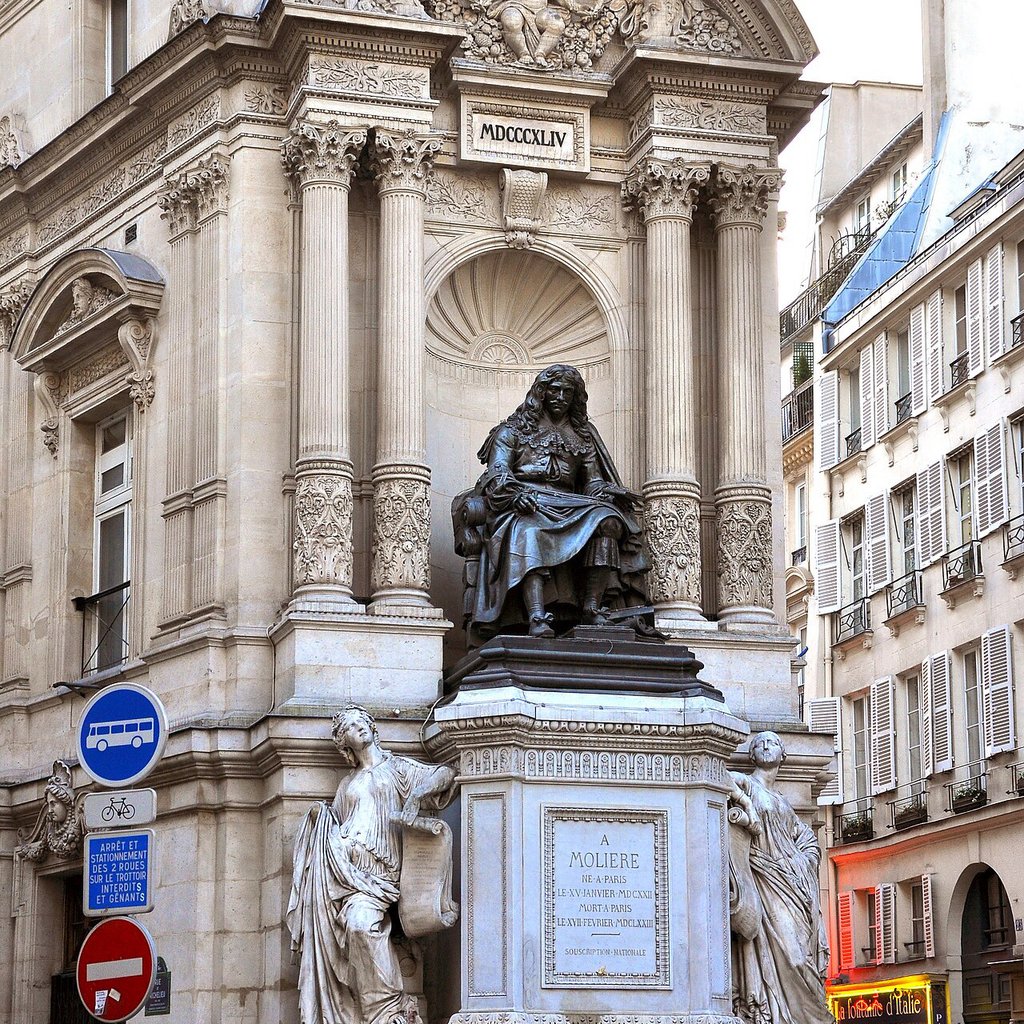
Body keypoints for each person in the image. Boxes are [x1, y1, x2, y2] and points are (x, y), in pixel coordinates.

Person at [453, 364, 649, 644]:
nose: (560, 396)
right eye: (554, 390)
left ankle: (591, 608)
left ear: (575, 397)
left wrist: (610, 490)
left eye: (567, 392)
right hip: (524, 501)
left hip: (570, 503)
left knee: (608, 521)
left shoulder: (583, 435)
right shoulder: (513, 430)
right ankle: (535, 616)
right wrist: (513, 495)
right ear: (541, 393)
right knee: (528, 530)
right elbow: (497, 472)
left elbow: (591, 482)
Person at [287, 707, 456, 1024]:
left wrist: (417, 794)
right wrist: (320, 822)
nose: (359, 727)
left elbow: (445, 774)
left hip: (381, 877)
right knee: (349, 925)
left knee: (361, 924)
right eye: (350, 727)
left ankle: (387, 1009)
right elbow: (338, 821)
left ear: (373, 727)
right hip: (343, 872)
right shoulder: (347, 785)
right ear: (344, 744)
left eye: (362, 722)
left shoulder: (398, 769)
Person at [727, 732, 834, 1024]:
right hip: (765, 879)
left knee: (801, 952)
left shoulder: (783, 802)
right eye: (758, 743)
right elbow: (721, 778)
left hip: (791, 883)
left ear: (783, 755)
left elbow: (807, 839)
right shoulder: (749, 785)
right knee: (794, 956)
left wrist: (803, 860)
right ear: (751, 755)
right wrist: (745, 805)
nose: (764, 745)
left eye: (772, 742)